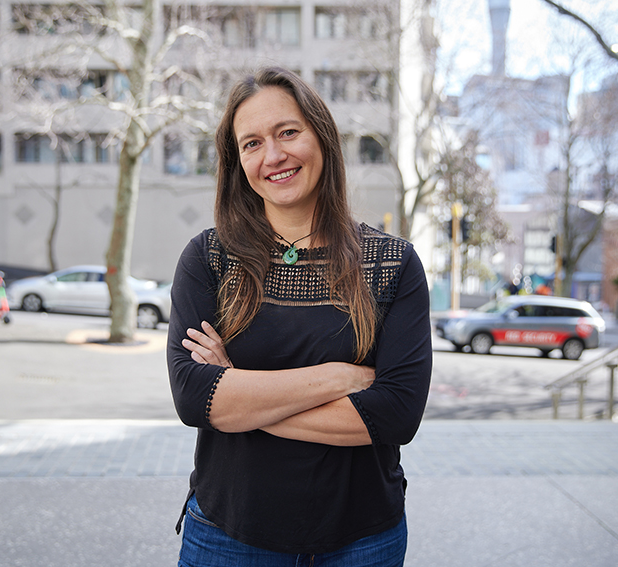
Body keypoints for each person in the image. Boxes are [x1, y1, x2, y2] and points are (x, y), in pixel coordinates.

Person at [167, 66, 432, 566]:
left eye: (288, 132)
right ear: (237, 160)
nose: (273, 156)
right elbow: (194, 398)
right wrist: (336, 378)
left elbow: (395, 414)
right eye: (251, 143)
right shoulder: (209, 259)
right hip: (228, 536)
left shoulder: (393, 263)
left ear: (322, 137)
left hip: (362, 540)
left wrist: (240, 392)